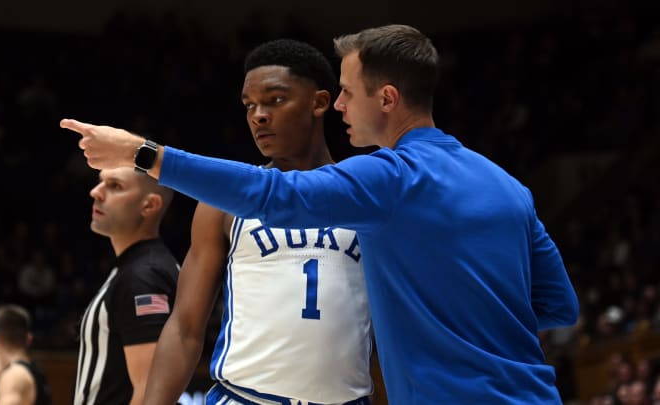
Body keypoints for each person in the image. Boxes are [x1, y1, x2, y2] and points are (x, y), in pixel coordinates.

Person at [61, 24, 580, 403]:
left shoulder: (381, 181)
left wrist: (142, 152)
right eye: (248, 104)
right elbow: (559, 306)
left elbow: (274, 196)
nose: (341, 108)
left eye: (347, 94)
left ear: (382, 98)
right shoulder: (510, 187)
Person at [145, 39, 373, 405]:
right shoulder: (222, 202)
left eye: (275, 100)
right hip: (243, 397)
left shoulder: (368, 195)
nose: (258, 116)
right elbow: (186, 328)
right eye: (249, 105)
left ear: (319, 102)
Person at [73, 166, 179, 405]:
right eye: (101, 182)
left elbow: (150, 390)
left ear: (149, 205)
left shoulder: (144, 276)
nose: (96, 192)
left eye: (115, 186)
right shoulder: (138, 268)